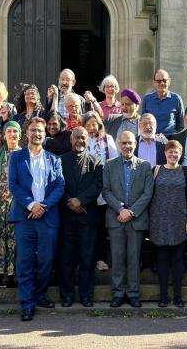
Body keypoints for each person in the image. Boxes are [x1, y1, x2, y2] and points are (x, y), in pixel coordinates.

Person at [8, 117, 65, 321]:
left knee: (47, 260)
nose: (37, 133)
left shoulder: (54, 159)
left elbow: (59, 186)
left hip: (47, 217)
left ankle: (40, 294)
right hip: (24, 217)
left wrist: (44, 206)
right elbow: (13, 185)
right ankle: (27, 303)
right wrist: (32, 205)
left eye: (40, 130)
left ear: (45, 134)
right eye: (33, 130)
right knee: (24, 261)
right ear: (27, 133)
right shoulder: (16, 157)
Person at [101, 131, 154, 308]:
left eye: (130, 143)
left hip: (136, 219)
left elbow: (148, 193)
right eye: (123, 143)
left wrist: (131, 212)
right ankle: (117, 293)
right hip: (115, 218)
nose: (127, 146)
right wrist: (120, 209)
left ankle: (133, 293)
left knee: (133, 258)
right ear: (118, 144)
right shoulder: (109, 165)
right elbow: (106, 191)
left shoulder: (145, 166)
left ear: (135, 144)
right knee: (117, 258)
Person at [58, 126, 104, 307]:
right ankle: (66, 295)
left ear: (88, 140)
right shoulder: (60, 161)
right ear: (71, 140)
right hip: (66, 218)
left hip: (87, 218)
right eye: (76, 137)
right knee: (66, 259)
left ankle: (86, 295)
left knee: (87, 258)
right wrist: (70, 200)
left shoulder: (97, 161)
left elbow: (97, 185)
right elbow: (57, 183)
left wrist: (80, 201)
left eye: (83, 138)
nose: (80, 141)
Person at [149, 140, 187, 307]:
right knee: (161, 260)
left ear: (180, 154)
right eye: (170, 151)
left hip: (179, 220)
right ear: (165, 153)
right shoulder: (155, 170)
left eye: (176, 152)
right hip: (158, 220)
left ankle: (178, 296)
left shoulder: (186, 172)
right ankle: (163, 297)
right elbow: (149, 195)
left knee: (177, 260)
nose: (173, 154)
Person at [83, 111, 118, 272]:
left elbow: (114, 163)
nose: (91, 128)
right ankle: (88, 259)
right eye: (88, 125)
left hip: (104, 190)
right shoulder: (81, 140)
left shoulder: (107, 139)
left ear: (99, 125)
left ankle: (102, 259)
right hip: (87, 190)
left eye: (93, 124)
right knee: (88, 227)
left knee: (102, 227)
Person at [0, 121, 22, 288]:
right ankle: (4, 273)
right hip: (1, 203)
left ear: (19, 134)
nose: (12, 134)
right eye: (9, 131)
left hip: (18, 202)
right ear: (4, 135)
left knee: (17, 238)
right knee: (2, 238)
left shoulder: (24, 154)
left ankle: (16, 272)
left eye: (15, 131)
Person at [141, 69, 185, 137]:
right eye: (158, 81)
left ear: (169, 81)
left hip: (170, 141)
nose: (161, 83)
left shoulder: (176, 99)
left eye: (164, 80)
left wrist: (173, 136)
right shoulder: (147, 99)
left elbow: (181, 125)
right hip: (152, 139)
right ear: (154, 83)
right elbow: (143, 122)